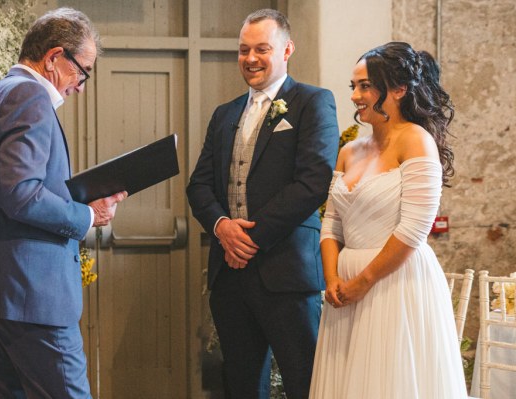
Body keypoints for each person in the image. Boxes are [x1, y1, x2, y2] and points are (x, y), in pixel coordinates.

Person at [0, 8, 127, 398]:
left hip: (2, 298)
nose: (81, 85)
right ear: (53, 57)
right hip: (35, 299)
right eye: (82, 71)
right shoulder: (30, 97)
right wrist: (86, 214)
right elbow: (20, 193)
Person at [187, 9, 339, 399]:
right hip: (230, 278)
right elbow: (199, 185)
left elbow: (313, 181)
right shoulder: (225, 114)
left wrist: (251, 239)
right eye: (243, 50)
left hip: (287, 273)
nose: (250, 59)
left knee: (304, 381)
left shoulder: (312, 103)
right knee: (240, 383)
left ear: (287, 49)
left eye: (261, 49)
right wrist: (222, 227)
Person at [309, 42, 468, 398]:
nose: (356, 96)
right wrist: (333, 278)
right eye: (354, 86)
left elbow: (415, 227)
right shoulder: (350, 150)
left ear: (399, 89)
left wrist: (364, 280)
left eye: (366, 85)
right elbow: (332, 221)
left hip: (394, 283)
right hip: (345, 289)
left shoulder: (416, 141)